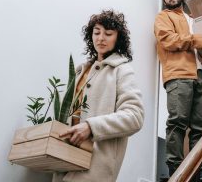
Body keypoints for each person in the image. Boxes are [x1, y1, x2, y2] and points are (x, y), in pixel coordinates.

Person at [53, 10, 144, 182]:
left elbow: (135, 116)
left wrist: (91, 127)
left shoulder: (122, 70)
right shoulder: (80, 71)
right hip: (64, 161)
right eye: (96, 32)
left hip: (95, 166)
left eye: (108, 33)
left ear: (118, 38)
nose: (101, 38)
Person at [154, 0, 202, 181]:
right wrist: (200, 39)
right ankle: (175, 171)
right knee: (177, 123)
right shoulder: (163, 17)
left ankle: (199, 171)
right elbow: (169, 40)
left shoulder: (196, 19)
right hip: (179, 75)